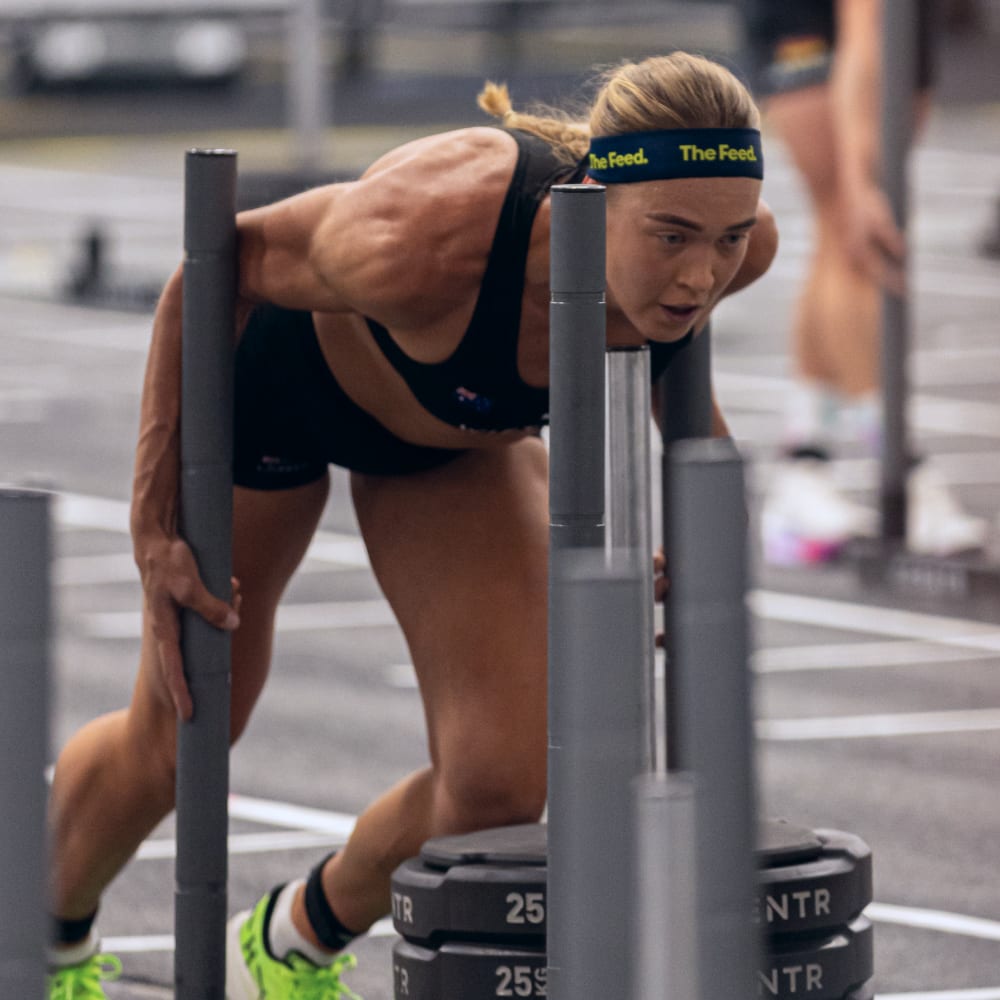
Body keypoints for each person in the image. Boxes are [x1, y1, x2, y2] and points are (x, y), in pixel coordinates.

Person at [45, 51, 778, 999]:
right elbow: (214, 269)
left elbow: (683, 390)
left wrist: (705, 540)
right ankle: (44, 935)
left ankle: (289, 941)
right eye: (673, 235)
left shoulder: (733, 253)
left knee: (499, 787)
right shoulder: (432, 228)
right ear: (597, 187)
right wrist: (152, 527)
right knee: (187, 725)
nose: (702, 273)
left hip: (452, 445)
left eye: (726, 239)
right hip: (281, 393)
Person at [742, 0, 990, 563]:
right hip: (823, 28)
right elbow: (863, 31)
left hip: (893, 31)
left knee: (837, 242)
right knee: (855, 235)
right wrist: (859, 174)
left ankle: (803, 468)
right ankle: (903, 470)